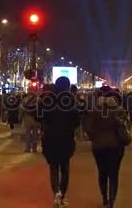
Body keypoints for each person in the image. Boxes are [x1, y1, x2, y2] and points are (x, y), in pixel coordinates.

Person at [38, 77, 80, 207]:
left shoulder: (47, 99)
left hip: (50, 138)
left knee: (54, 168)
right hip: (66, 138)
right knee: (65, 168)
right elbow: (77, 120)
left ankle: (56, 193)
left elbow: (39, 116)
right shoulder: (71, 100)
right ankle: (62, 194)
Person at [84, 87, 128, 208]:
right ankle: (112, 200)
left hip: (99, 147)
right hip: (116, 147)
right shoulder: (120, 110)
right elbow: (125, 127)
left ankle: (104, 197)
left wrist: (95, 138)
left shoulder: (95, 111)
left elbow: (88, 128)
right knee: (114, 173)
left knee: (102, 172)